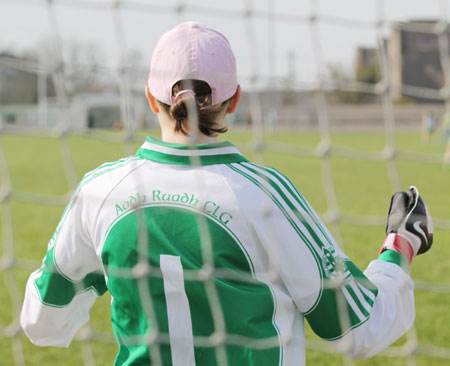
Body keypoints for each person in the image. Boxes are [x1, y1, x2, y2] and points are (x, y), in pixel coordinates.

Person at [20, 22, 434, 366]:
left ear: (150, 97)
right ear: (234, 99)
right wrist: (401, 245)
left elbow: (42, 322)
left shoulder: (99, 191)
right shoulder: (265, 195)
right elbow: (358, 327)